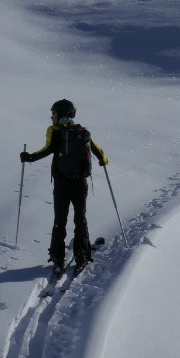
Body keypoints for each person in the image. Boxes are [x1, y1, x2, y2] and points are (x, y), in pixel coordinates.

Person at [20, 99, 108, 275]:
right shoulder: (83, 131)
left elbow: (47, 149)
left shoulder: (55, 131)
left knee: (60, 221)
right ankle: (82, 256)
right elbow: (99, 151)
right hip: (80, 183)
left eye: (53, 113)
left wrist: (28, 157)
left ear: (60, 114)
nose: (51, 116)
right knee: (80, 219)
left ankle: (58, 259)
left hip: (61, 184)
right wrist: (103, 160)